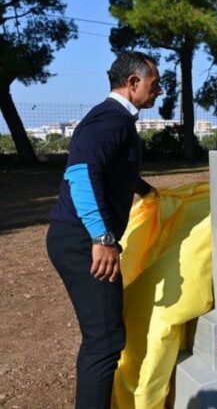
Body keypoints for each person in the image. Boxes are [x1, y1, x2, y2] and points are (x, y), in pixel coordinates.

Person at [47, 51, 162, 408]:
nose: (159, 92)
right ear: (133, 83)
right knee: (105, 341)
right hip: (84, 241)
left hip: (76, 236)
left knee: (103, 336)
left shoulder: (115, 119)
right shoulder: (112, 119)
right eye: (154, 84)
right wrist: (103, 237)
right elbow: (81, 173)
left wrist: (146, 190)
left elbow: (112, 167)